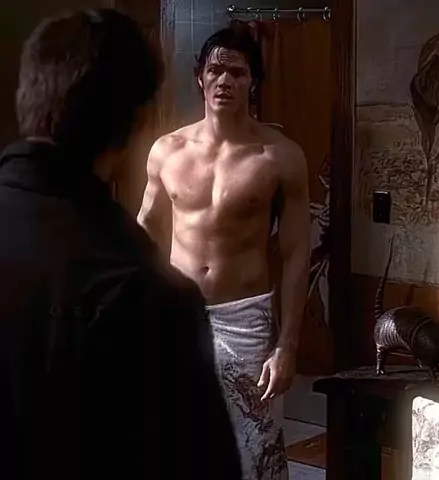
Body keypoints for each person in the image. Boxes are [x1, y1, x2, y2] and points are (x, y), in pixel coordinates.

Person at [0, 10, 241, 480]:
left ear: (28, 96)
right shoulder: (148, 296)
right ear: (139, 121)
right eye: (214, 70)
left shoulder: (277, 155)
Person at [138, 26, 311, 479]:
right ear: (200, 77)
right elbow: (143, 234)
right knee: (176, 442)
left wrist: (288, 345)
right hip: (178, 315)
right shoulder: (167, 151)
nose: (225, 80)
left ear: (253, 82)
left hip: (245, 318)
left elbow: (296, 252)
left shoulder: (279, 156)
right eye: (216, 70)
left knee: (254, 450)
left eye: (237, 72)